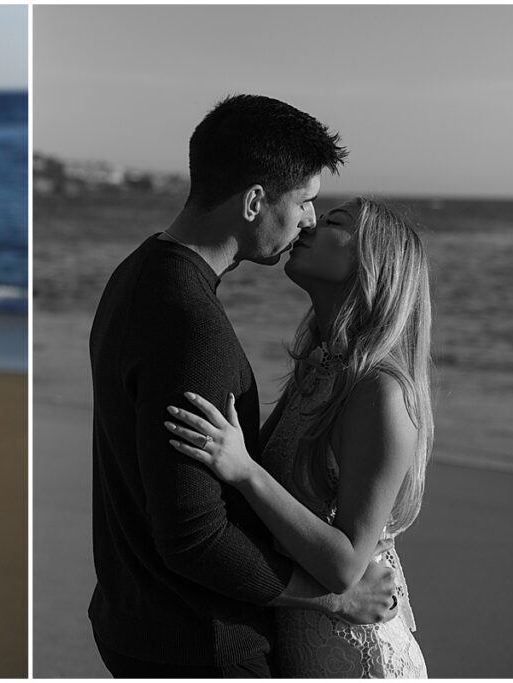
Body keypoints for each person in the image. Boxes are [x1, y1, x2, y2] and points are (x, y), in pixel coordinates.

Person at [88, 94, 400, 678]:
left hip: (141, 622)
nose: (309, 219)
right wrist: (332, 599)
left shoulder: (138, 273)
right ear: (255, 200)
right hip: (199, 642)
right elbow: (194, 537)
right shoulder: (190, 325)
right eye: (306, 203)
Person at [165, 197, 431, 677]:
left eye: (335, 222)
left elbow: (346, 567)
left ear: (374, 263)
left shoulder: (382, 391)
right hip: (302, 636)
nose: (309, 222)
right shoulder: (321, 365)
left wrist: (245, 471)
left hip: (357, 653)